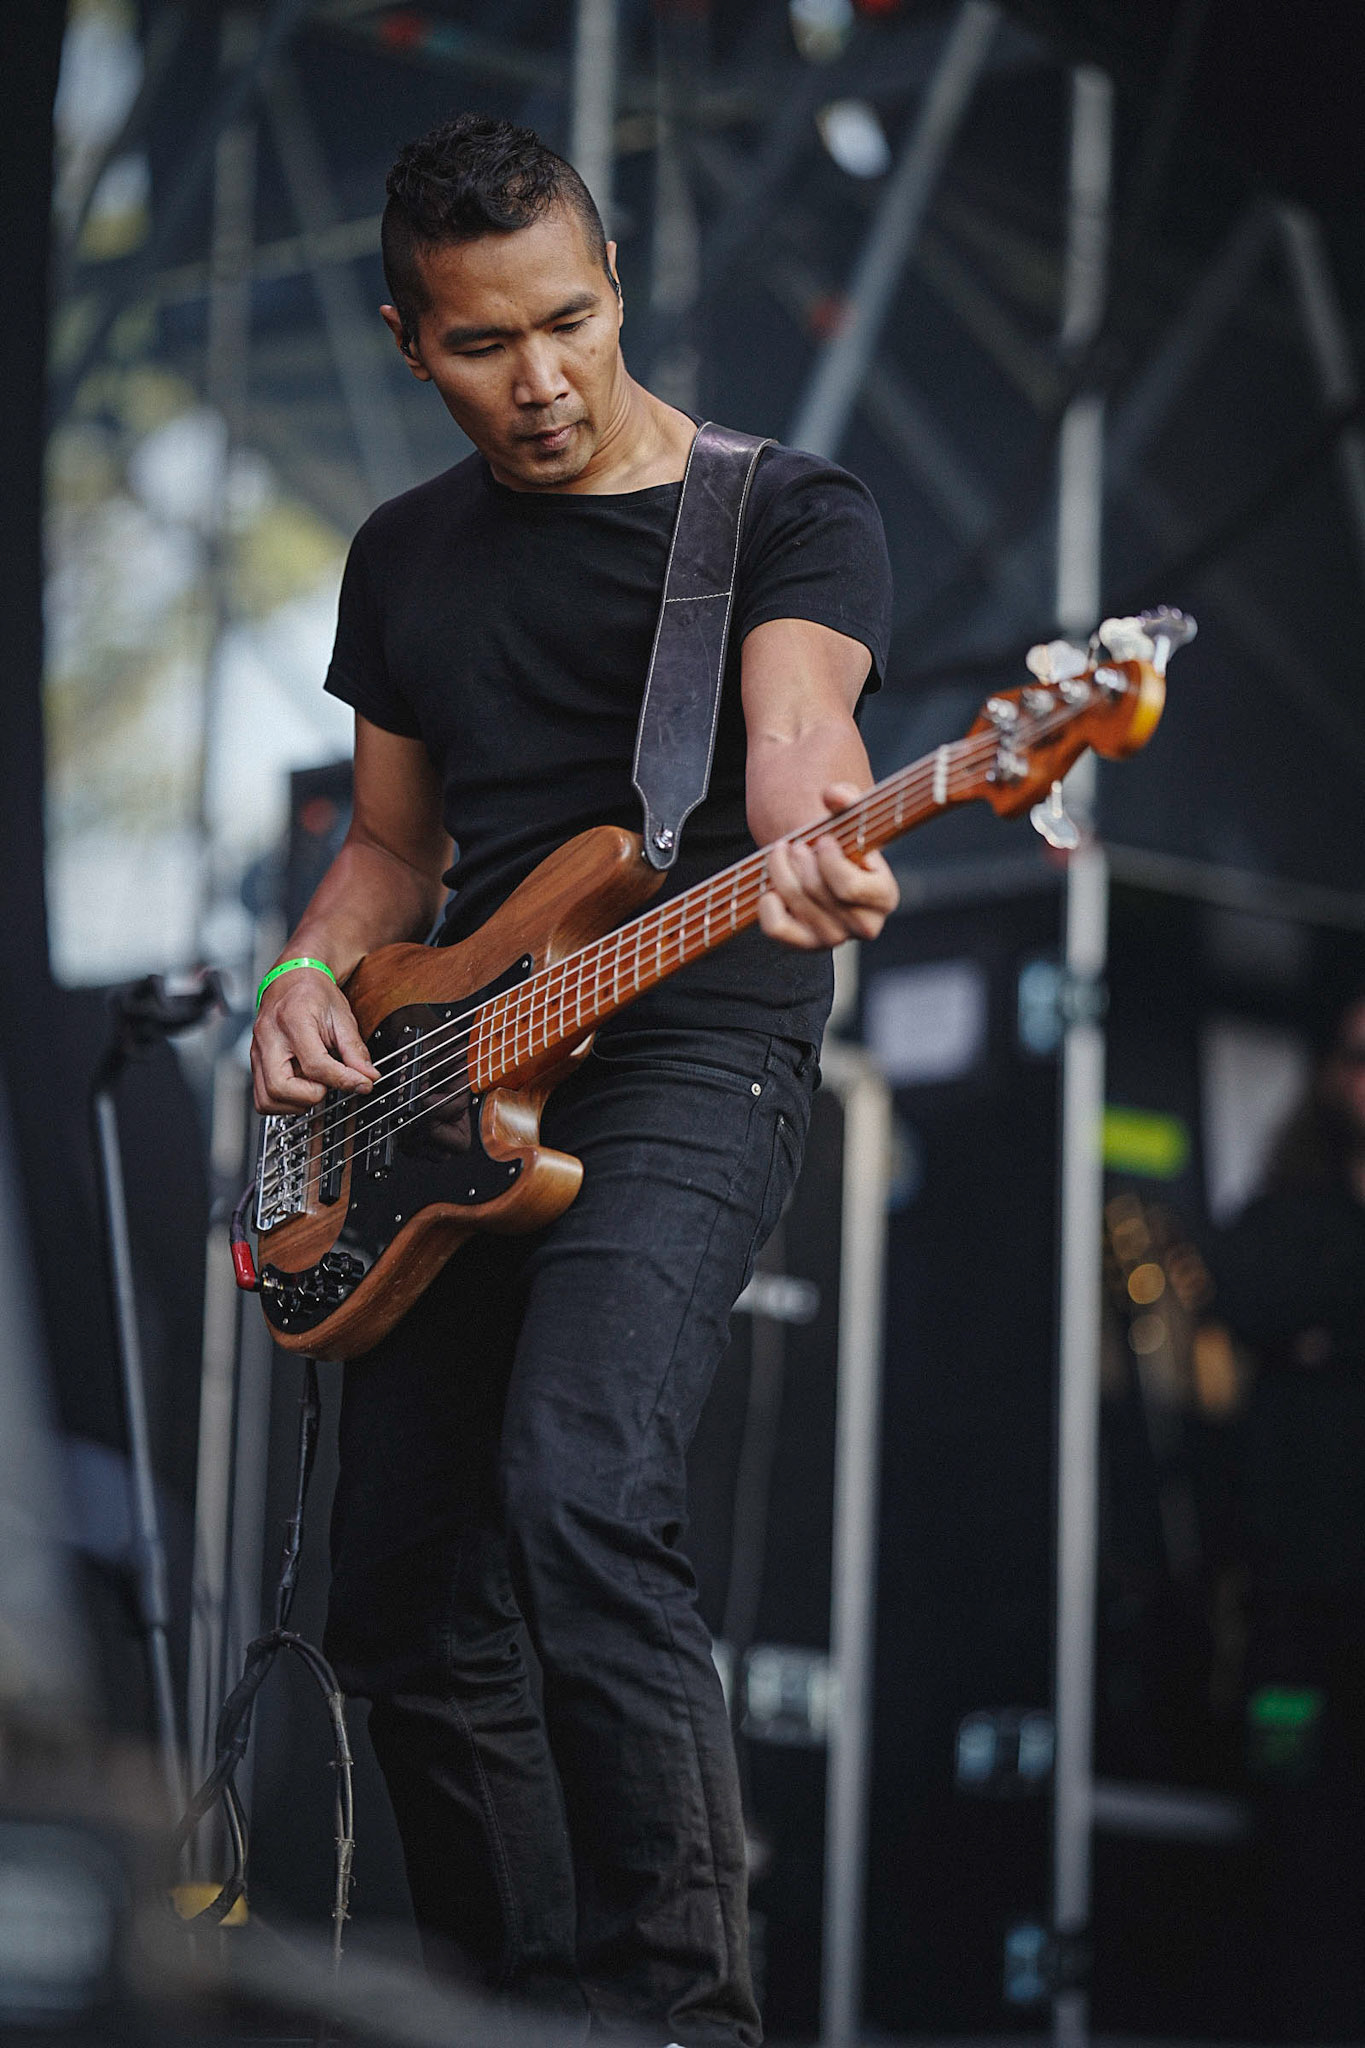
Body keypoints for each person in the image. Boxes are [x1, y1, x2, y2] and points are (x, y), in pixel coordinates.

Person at [250, 112, 896, 2047]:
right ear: (407, 338)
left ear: (616, 292)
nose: (538, 381)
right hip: (454, 1066)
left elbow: (797, 736)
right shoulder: (404, 558)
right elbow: (390, 855)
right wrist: (304, 967)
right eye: (480, 343)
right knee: (396, 1601)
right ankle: (518, 2015)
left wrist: (823, 831)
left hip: (692, 1026)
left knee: (579, 1482)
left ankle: (684, 2010)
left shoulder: (782, 509)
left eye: (571, 321)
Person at [1209, 988, 1365, 2039]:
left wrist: (1328, 1340)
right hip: (1300, 1607)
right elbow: (1246, 1300)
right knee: (1302, 1843)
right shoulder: (1286, 1215)